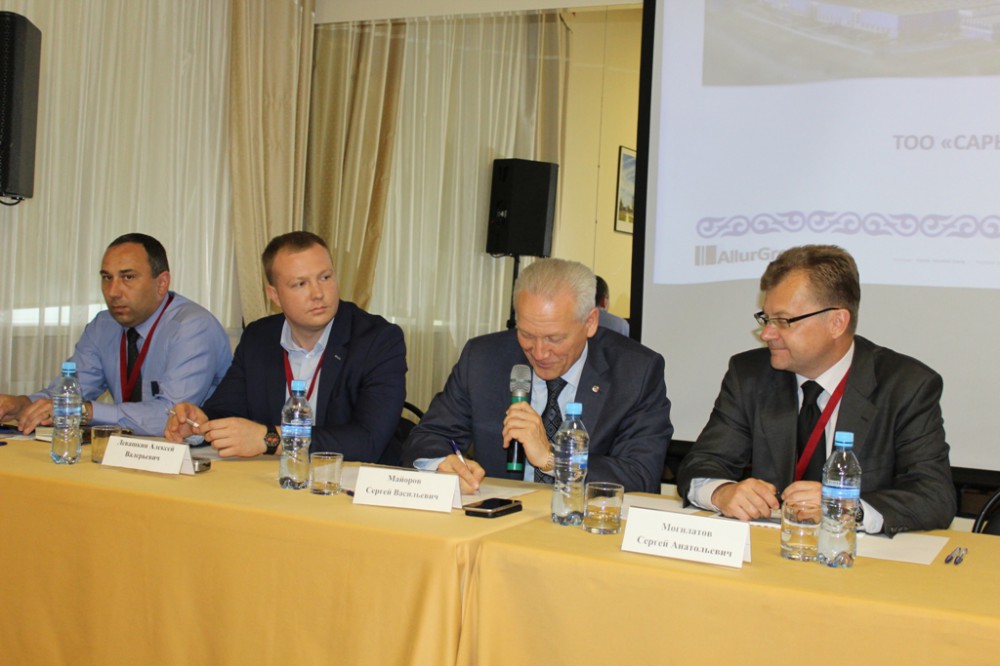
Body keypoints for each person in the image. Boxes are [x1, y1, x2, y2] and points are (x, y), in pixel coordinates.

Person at [677, 245, 955, 535]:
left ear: (837, 322)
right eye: (766, 319)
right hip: (768, 548)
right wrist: (721, 492)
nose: (767, 333)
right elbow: (701, 465)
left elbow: (934, 496)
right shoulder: (750, 375)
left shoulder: (906, 386)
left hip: (856, 555)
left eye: (783, 321)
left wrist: (846, 508)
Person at [402, 258, 672, 493]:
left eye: (554, 338)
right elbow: (428, 437)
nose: (540, 353)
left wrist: (554, 459)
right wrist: (442, 464)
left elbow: (640, 475)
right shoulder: (483, 359)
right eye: (527, 335)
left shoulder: (636, 372)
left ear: (590, 322)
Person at [165, 231, 406, 462]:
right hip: (276, 478)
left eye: (325, 277)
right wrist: (199, 423)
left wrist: (271, 439)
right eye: (300, 284)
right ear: (275, 295)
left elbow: (368, 440)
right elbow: (227, 410)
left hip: (348, 480)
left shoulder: (378, 340)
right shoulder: (259, 337)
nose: (318, 293)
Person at [0, 233, 231, 436]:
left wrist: (85, 411)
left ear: (161, 283)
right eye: (107, 277)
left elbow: (172, 417)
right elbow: (71, 392)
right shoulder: (104, 325)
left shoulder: (193, 327)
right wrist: (22, 405)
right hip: (127, 450)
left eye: (128, 277)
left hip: (197, 455)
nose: (113, 292)